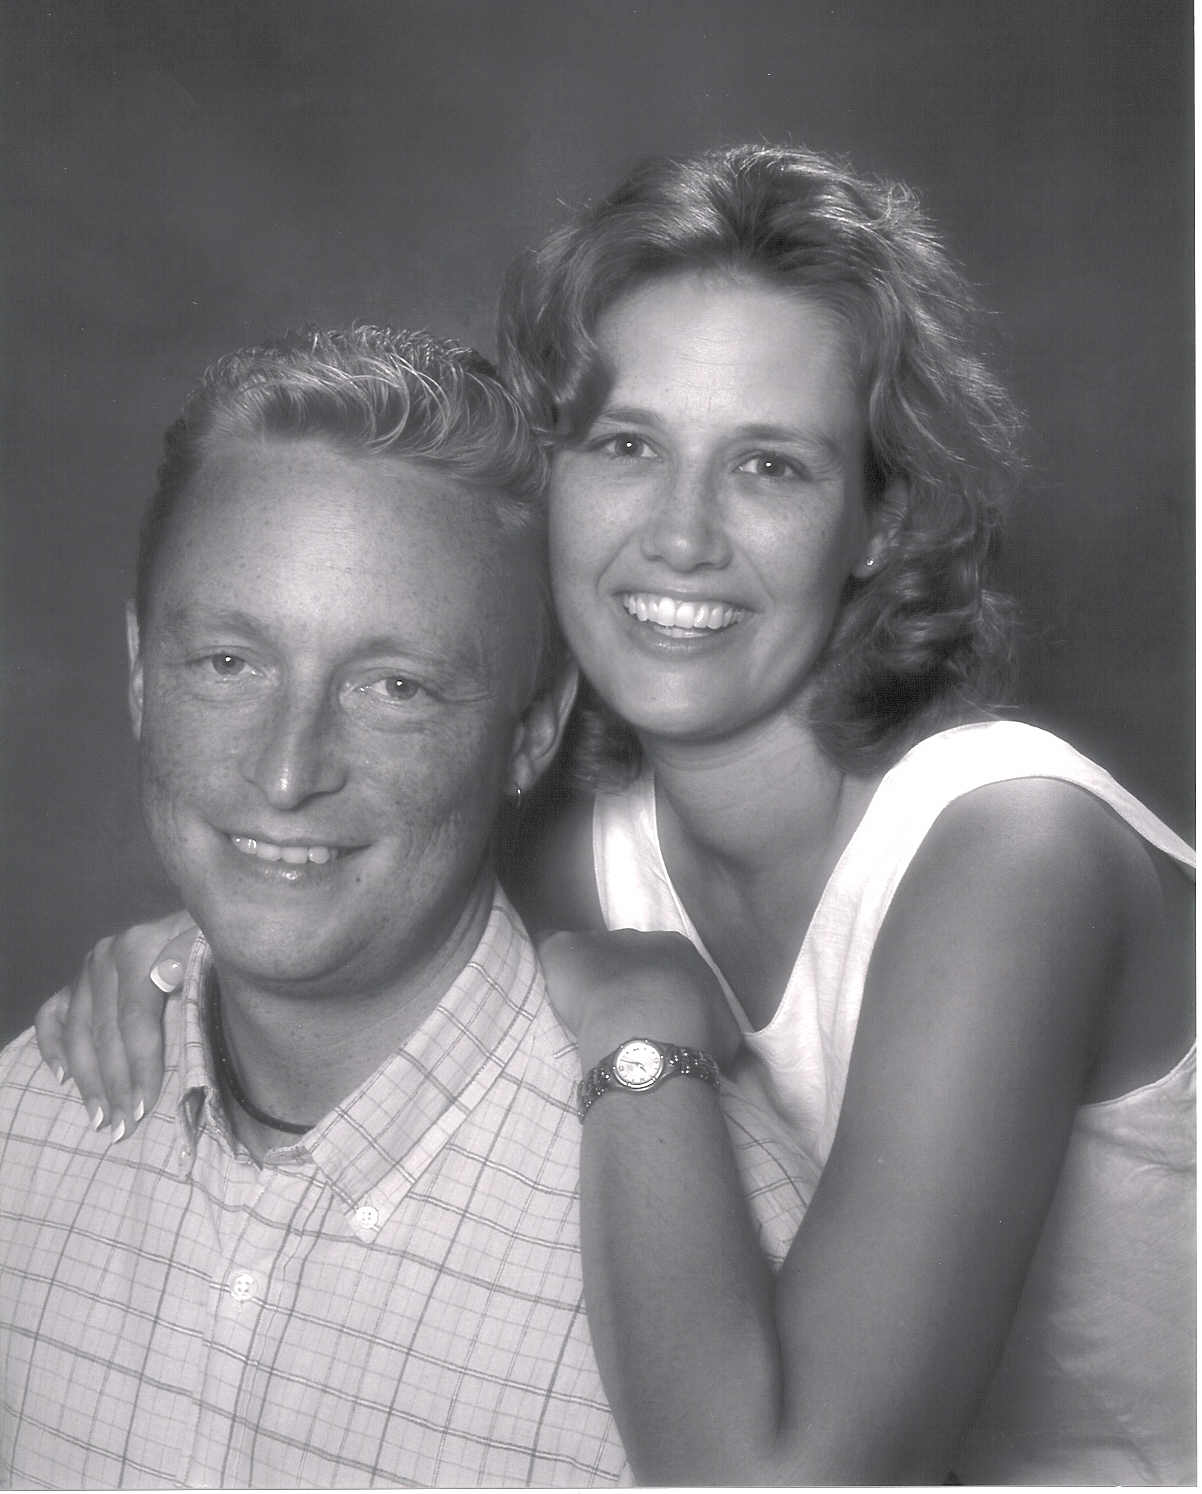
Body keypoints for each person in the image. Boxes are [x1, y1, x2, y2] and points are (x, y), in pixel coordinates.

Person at [38, 147, 1195, 1485]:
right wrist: (188, 958)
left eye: (770, 466)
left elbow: (780, 1478)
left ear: (880, 520)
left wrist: (645, 1023)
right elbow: (333, 898)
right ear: (553, 476)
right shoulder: (573, 849)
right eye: (626, 445)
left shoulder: (1012, 849)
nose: (680, 536)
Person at [1, 325, 807, 1489]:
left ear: (530, 731)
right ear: (137, 670)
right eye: (227, 663)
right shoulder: (27, 1125)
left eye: (395, 687)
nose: (287, 772)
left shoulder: (738, 1261)